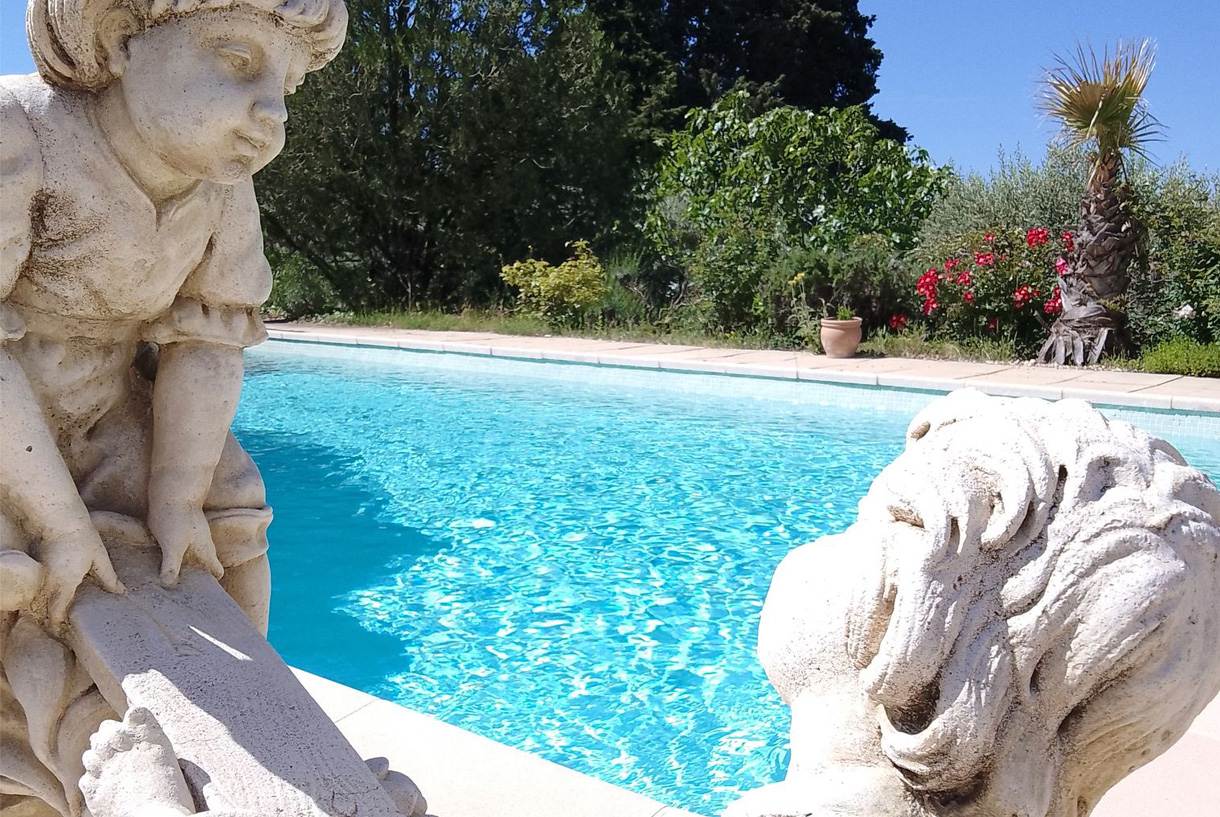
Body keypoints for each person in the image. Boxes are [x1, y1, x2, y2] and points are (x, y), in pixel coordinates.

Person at [0, 1, 346, 813]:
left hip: (111, 399)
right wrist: (59, 520)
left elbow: (206, 341)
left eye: (289, 84)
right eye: (238, 59)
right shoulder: (22, 135)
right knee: (30, 578)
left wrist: (177, 493)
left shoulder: (222, 189)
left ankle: (256, 746)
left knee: (226, 512)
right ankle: (83, 762)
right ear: (125, 39)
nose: (273, 110)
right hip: (11, 415)